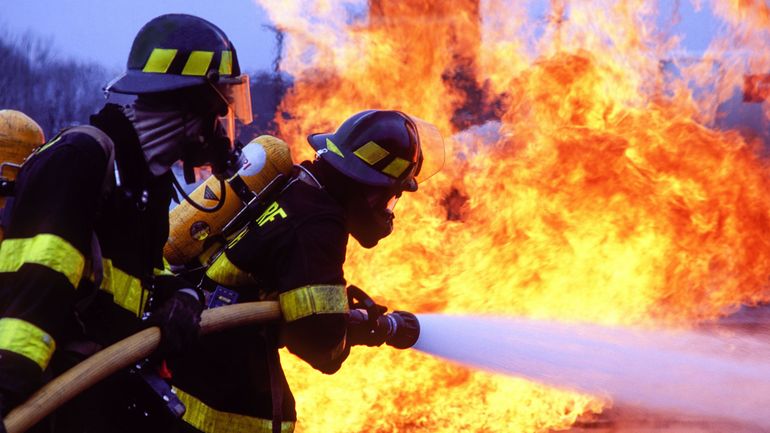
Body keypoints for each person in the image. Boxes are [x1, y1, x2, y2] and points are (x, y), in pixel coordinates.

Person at [0, 13, 253, 432]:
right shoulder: (82, 158)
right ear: (189, 106)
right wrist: (8, 394)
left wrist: (187, 295)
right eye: (218, 110)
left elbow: (143, 282)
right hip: (51, 399)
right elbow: (34, 285)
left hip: (101, 390)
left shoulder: (141, 183)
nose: (221, 131)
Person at [167, 109, 444, 433]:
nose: (387, 212)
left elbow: (294, 303)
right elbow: (318, 342)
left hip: (189, 363)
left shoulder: (295, 189)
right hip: (221, 391)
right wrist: (353, 331)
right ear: (371, 189)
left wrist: (342, 320)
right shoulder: (318, 223)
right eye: (391, 198)